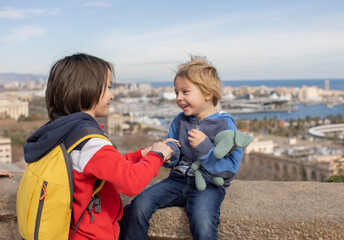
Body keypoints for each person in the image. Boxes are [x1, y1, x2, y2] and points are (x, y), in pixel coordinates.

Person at [23, 53, 173, 240]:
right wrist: (158, 155)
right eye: (108, 87)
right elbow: (130, 182)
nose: (112, 95)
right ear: (88, 88)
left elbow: (104, 167)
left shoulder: (64, 131)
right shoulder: (90, 142)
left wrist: (141, 154)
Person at [120, 55, 243, 240]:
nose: (178, 98)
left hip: (208, 186)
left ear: (208, 94)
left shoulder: (225, 125)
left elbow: (230, 167)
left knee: (203, 221)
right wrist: (170, 153)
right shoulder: (180, 120)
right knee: (139, 204)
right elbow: (174, 144)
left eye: (185, 92)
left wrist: (205, 148)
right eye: (176, 92)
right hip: (177, 180)